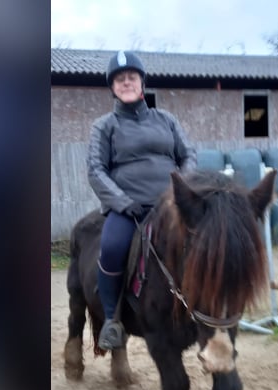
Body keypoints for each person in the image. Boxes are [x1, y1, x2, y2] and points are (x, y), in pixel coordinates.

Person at [88, 50, 197, 350]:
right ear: (112, 87)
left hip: (171, 204)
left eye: (131, 77)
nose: (126, 83)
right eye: (119, 79)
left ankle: (209, 310)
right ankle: (112, 320)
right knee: (110, 248)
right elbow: (96, 170)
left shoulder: (167, 120)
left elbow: (188, 156)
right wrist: (122, 202)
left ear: (142, 83)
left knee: (206, 241)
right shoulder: (104, 126)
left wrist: (182, 190)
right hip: (129, 209)